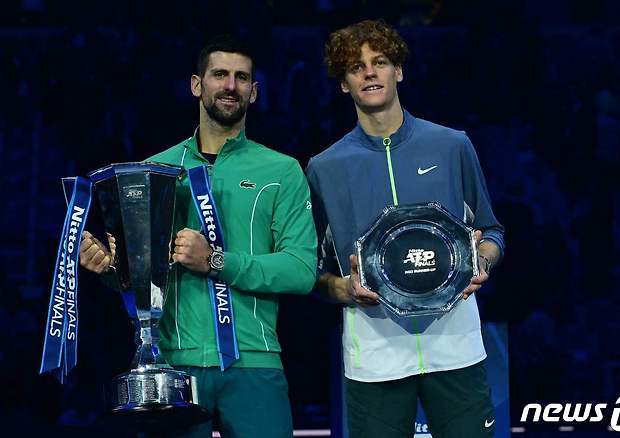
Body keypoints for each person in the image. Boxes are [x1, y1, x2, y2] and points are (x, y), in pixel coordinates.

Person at [80, 34, 317, 438]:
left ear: (254, 92)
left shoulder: (282, 170)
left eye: (241, 78)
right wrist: (108, 266)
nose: (230, 86)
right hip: (173, 365)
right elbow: (138, 278)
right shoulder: (154, 169)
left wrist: (216, 261)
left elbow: (301, 270)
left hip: (254, 363)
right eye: (219, 74)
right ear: (196, 84)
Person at [305, 20, 505, 438]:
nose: (370, 73)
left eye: (379, 62)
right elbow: (311, 270)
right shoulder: (325, 168)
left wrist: (482, 261)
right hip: (374, 356)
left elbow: (491, 231)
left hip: (456, 349)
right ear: (344, 83)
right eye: (356, 67)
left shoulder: (452, 146)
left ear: (399, 71)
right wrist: (345, 289)